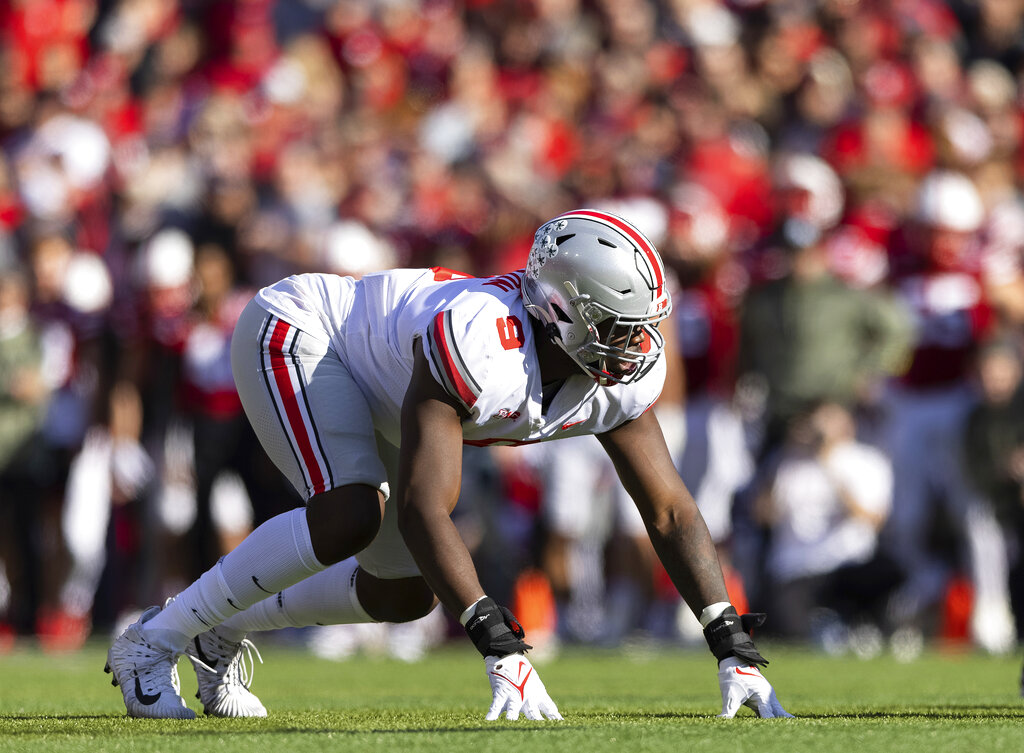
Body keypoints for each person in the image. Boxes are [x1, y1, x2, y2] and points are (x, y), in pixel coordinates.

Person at [104, 209, 790, 721]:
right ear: (561, 310)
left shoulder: (612, 371)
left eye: (643, 325)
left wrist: (729, 640)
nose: (639, 346)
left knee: (401, 594)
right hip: (307, 335)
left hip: (388, 381)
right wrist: (501, 647)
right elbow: (423, 507)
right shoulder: (481, 341)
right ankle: (155, 637)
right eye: (619, 326)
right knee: (351, 512)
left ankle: (225, 625)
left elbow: (668, 506)